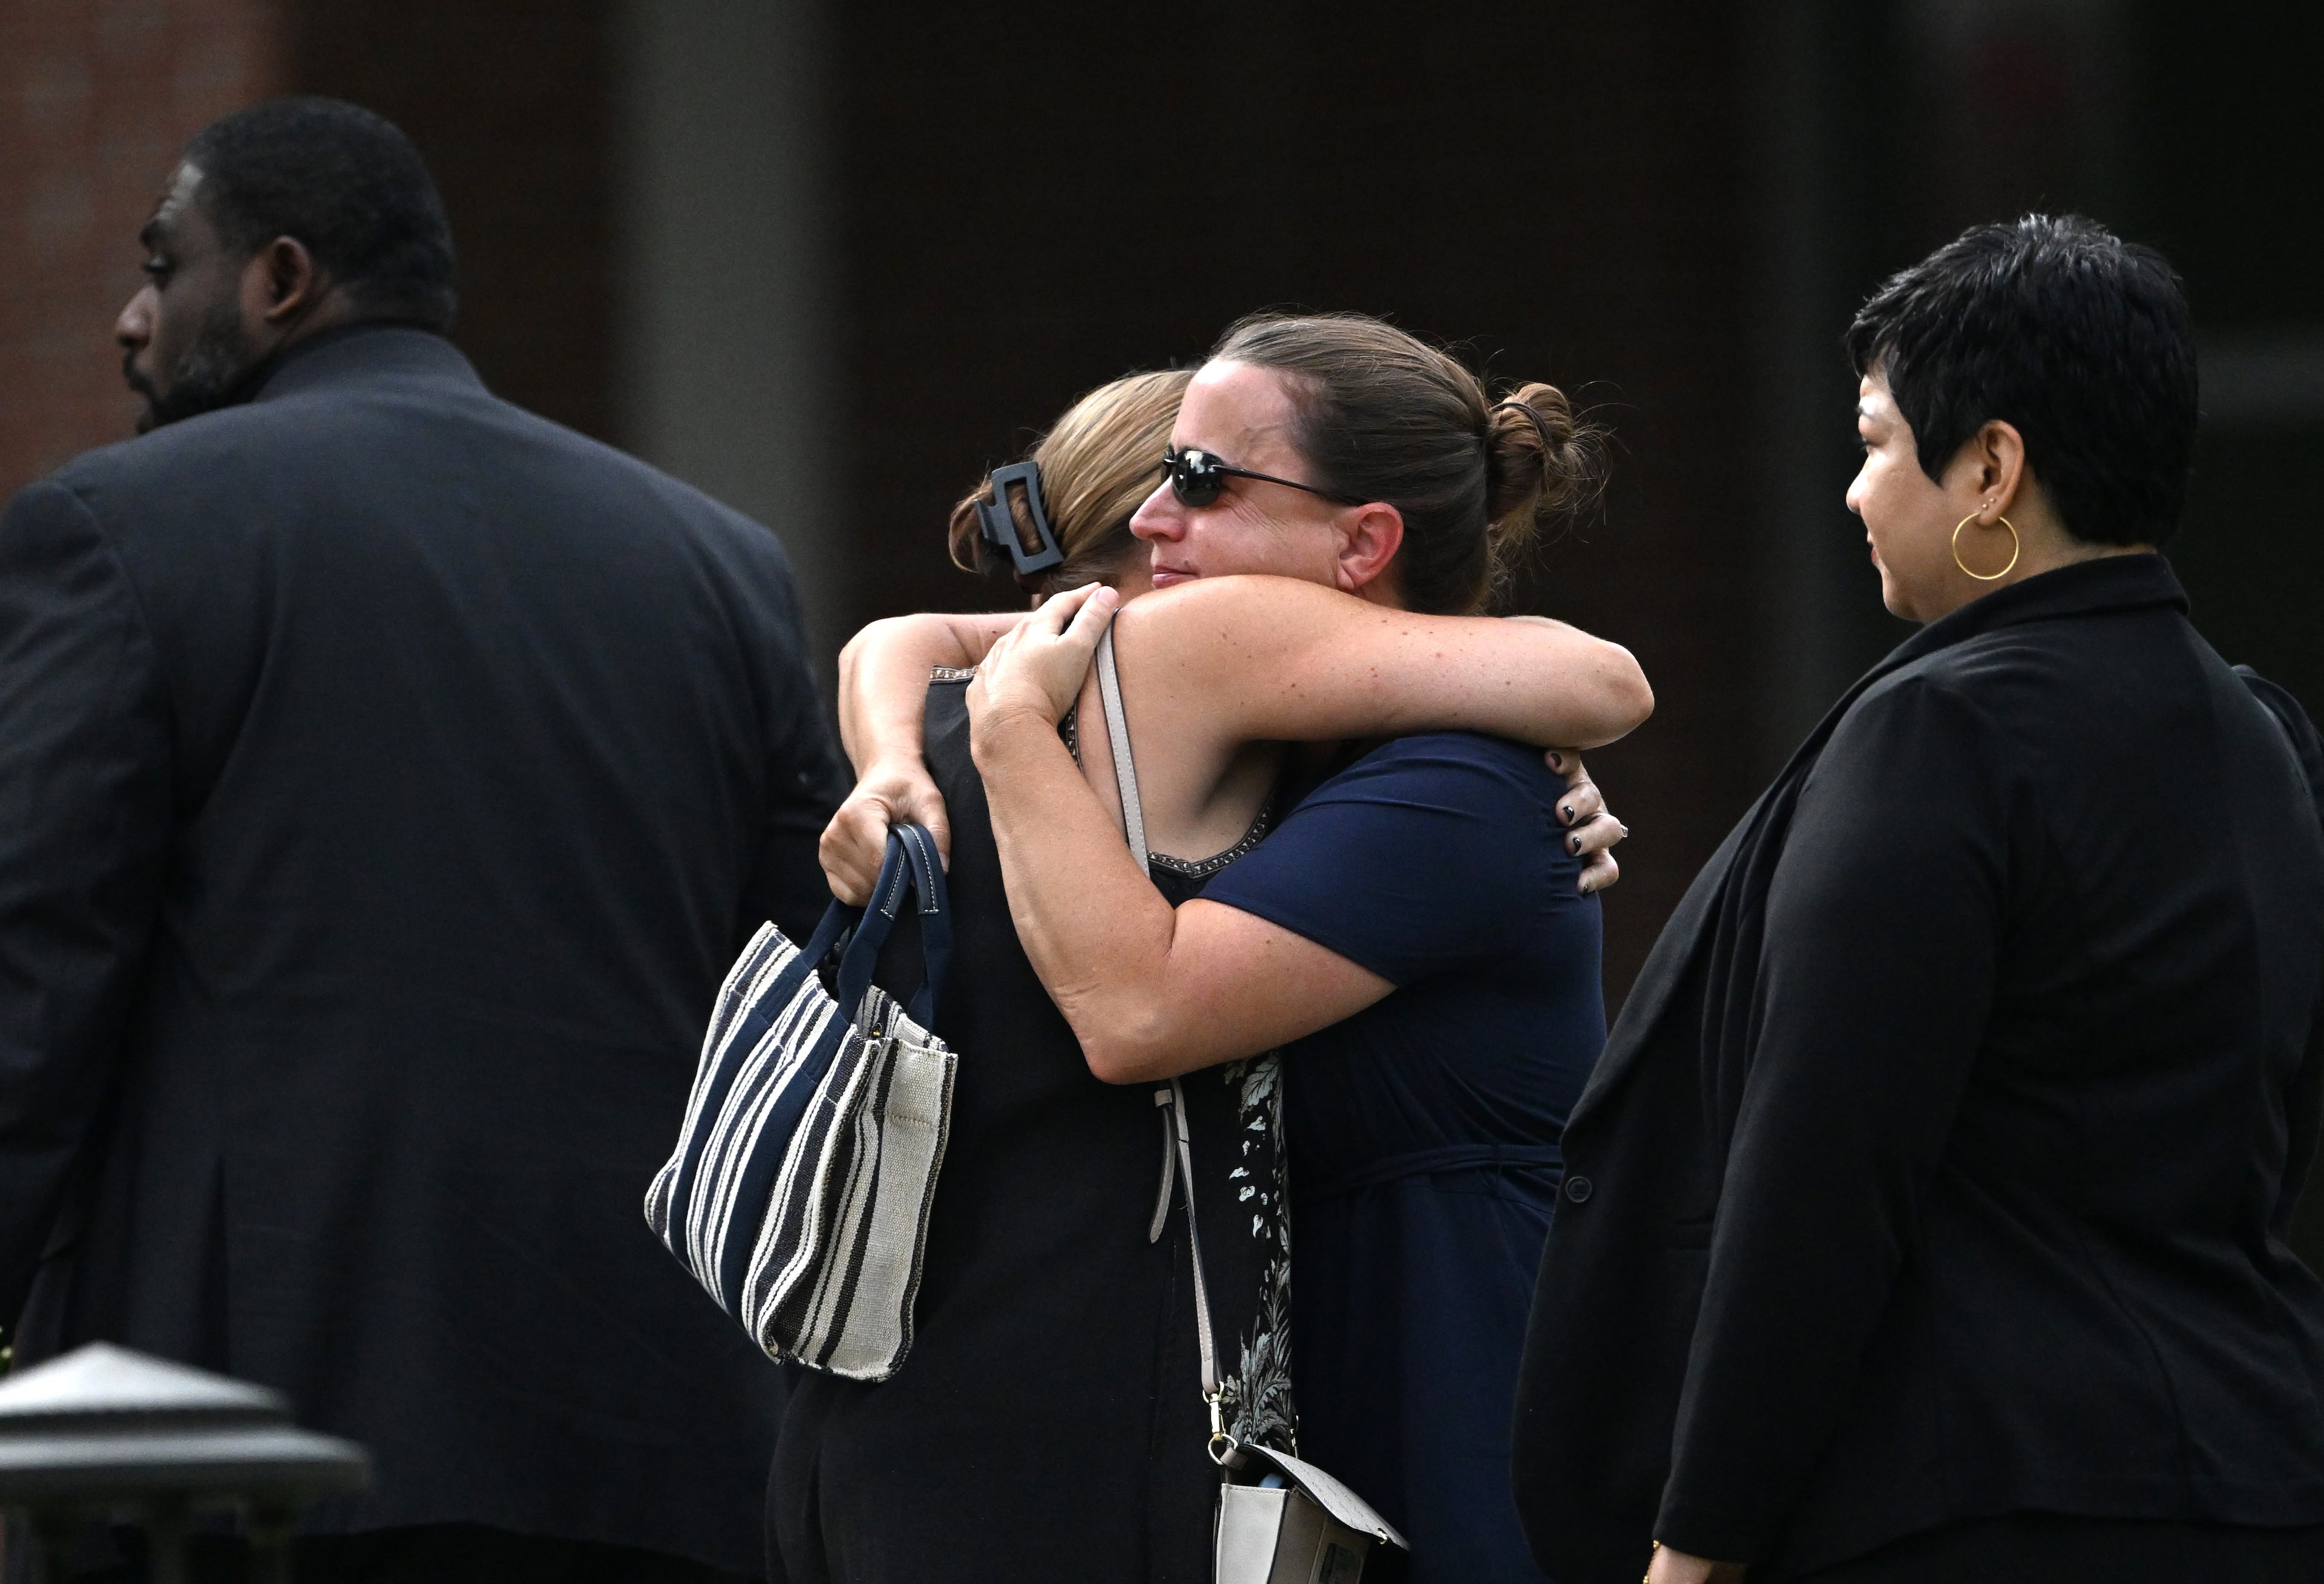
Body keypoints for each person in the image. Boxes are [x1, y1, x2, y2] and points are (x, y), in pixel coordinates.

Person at [0, 99, 844, 1582]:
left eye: (161, 263)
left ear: (277, 279)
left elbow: (28, 982)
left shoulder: (116, 529)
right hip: (655, 1449)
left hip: (235, 1444)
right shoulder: (719, 567)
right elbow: (811, 993)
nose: (134, 320)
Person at [1511, 214, 2324, 1584]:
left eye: (1879, 440)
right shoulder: (2265, 737)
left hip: (1979, 1500)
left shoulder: (1942, 732)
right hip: (2262, 1472)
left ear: (1993, 466)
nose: (1855, 490)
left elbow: (1822, 1171)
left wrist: (1693, 1549)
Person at [772, 348, 1647, 1584]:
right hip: (1091, 1413)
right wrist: (1533, 747)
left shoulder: (996, 686)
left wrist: (892, 763)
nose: (1159, 516)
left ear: (1361, 538)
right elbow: (1605, 676)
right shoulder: (1177, 652)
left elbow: (890, 633)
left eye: (1202, 477)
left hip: (870, 1402)